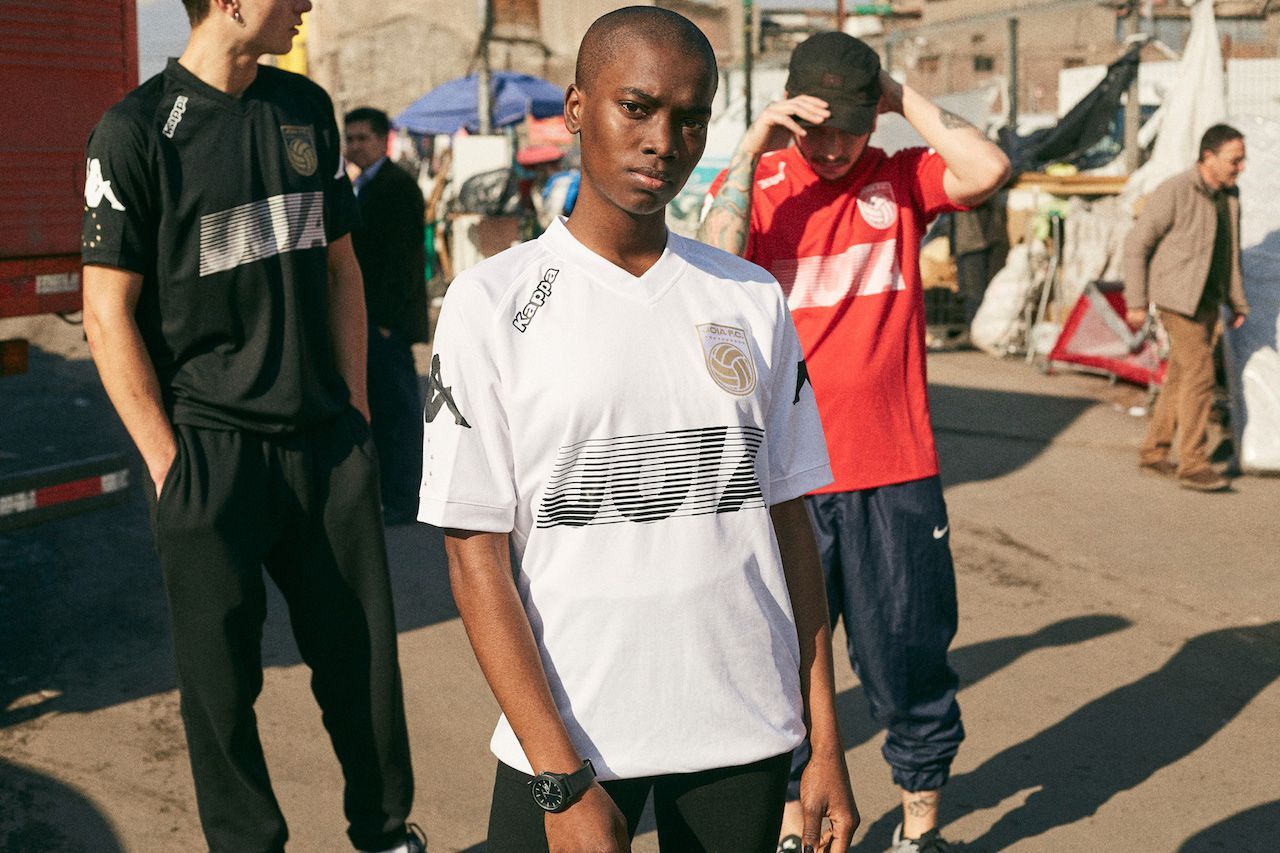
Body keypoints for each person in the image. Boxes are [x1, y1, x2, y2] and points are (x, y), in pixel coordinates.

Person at [419, 7, 858, 852]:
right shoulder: (492, 303)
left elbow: (789, 523)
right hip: (571, 740)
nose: (664, 141)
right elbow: (474, 555)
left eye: (691, 117)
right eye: (638, 107)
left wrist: (825, 742)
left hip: (742, 732)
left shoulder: (749, 298)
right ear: (577, 108)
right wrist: (559, 778)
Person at [79, 2, 421, 851]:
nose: (307, 2)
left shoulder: (304, 108)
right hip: (210, 454)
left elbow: (342, 270)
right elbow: (105, 313)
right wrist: (170, 466)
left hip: (324, 443)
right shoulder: (134, 133)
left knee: (362, 666)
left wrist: (355, 416)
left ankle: (385, 831)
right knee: (222, 692)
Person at [700, 32, 1010, 853]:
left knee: (907, 654)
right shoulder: (764, 183)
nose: (835, 147)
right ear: (792, 114)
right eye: (819, 129)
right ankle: (795, 823)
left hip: (893, 467)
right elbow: (713, 260)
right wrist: (754, 141)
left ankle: (920, 823)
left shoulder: (900, 178)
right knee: (782, 662)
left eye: (852, 127)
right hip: (787, 476)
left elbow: (988, 169)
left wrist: (901, 97)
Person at [1124, 124, 1249, 492]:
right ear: (1208, 157)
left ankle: (1154, 452)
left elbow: (1230, 253)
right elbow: (1136, 244)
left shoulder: (1229, 196)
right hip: (1177, 299)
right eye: (1234, 160)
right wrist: (1135, 301)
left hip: (1207, 300)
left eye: (1242, 160)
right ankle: (1193, 463)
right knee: (1200, 374)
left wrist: (1237, 301)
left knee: (1181, 376)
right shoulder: (1176, 190)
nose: (1241, 167)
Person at [344, 106, 430, 524]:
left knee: (398, 413)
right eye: (350, 138)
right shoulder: (361, 186)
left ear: (383, 140)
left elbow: (402, 263)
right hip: (367, 319)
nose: (354, 146)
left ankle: (405, 498)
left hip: (385, 322)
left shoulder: (395, 186)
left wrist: (383, 320)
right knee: (379, 409)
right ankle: (390, 495)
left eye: (362, 138)